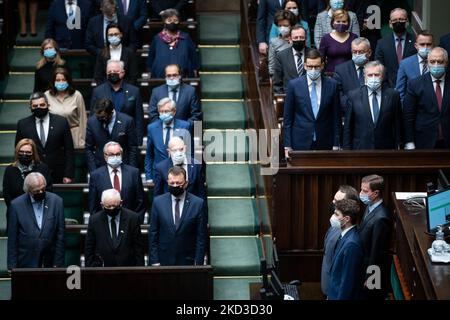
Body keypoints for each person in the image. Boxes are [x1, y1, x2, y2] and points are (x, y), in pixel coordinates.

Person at [283, 49, 340, 156]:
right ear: (305, 66)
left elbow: (336, 117)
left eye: (317, 67)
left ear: (322, 66)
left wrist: (336, 144)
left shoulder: (332, 85)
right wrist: (287, 145)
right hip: (300, 141)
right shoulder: (294, 85)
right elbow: (287, 119)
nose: (313, 70)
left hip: (325, 141)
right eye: (310, 67)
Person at [149, 166, 206, 266]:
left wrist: (198, 262)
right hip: (164, 260)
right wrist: (154, 260)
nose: (175, 185)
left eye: (178, 183)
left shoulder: (197, 203)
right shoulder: (158, 202)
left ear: (186, 183)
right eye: (172, 183)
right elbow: (153, 233)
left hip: (188, 260)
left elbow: (200, 237)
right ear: (167, 182)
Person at [7, 173, 65, 269]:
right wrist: (12, 266)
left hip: (50, 262)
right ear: (28, 190)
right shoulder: (16, 205)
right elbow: (13, 239)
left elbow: (60, 235)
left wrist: (58, 263)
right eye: (36, 191)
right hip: (25, 262)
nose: (41, 192)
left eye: (43, 189)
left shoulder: (57, 202)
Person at [15, 92, 74, 184]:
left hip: (58, 172)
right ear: (30, 107)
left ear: (48, 105)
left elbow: (69, 150)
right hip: (32, 173)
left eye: (42, 105)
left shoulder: (61, 122)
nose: (39, 107)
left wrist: (68, 174)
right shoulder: (23, 124)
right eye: (35, 106)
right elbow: (18, 150)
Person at [343, 61, 402, 150]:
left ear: (382, 76)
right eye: (370, 75)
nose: (373, 78)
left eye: (376, 75)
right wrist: (347, 150)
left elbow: (398, 124)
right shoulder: (353, 96)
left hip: (386, 149)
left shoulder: (393, 95)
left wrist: (399, 146)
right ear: (364, 76)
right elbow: (348, 127)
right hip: (360, 149)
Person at [404, 47, 449, 150]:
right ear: (427, 63)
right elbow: (408, 115)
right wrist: (409, 140)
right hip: (424, 140)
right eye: (432, 62)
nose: (436, 65)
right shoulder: (415, 84)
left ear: (446, 63)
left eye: (440, 61)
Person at [85, 188, 144, 267]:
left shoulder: (132, 218)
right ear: (102, 205)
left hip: (128, 270)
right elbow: (89, 248)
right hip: (101, 271)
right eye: (108, 206)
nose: (112, 209)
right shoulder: (94, 220)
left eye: (114, 206)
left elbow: (138, 249)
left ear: (121, 203)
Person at [88, 142, 145, 223]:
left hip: (129, 223)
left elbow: (140, 201)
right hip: (104, 223)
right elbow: (92, 204)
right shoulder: (96, 175)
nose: (115, 157)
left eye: (118, 154)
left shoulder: (133, 173)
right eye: (111, 154)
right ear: (105, 156)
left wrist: (136, 222)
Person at [91, 60, 144, 145]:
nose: (112, 73)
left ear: (122, 73)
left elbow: (139, 119)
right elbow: (93, 117)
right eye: (109, 72)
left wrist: (138, 141)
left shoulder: (134, 91)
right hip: (104, 138)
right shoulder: (98, 91)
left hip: (128, 138)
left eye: (115, 71)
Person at [2, 139, 52, 228]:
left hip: (39, 213)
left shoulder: (42, 168)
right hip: (16, 214)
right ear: (17, 153)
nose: (24, 155)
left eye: (28, 152)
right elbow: (7, 195)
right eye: (21, 152)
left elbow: (48, 190)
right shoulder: (10, 170)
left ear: (33, 153)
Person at [321, 185, 359, 297]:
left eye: (337, 201)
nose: (333, 203)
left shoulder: (350, 241)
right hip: (329, 284)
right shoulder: (337, 225)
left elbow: (346, 279)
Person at [358, 174, 392, 299]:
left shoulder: (381, 218)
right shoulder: (370, 206)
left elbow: (378, 252)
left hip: (372, 270)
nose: (361, 193)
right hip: (364, 264)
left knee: (371, 296)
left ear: (376, 193)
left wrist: (371, 277)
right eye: (361, 189)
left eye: (365, 191)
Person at [85, 99, 139, 172]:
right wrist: (93, 171)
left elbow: (133, 148)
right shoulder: (92, 122)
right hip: (100, 167)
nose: (100, 119)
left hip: (123, 167)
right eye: (98, 116)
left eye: (103, 116)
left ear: (111, 112)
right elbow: (88, 149)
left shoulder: (127, 121)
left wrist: (132, 170)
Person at [144, 98, 191, 181]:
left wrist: (188, 174)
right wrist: (149, 177)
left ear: (174, 111)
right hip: (158, 174)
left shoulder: (185, 126)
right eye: (161, 111)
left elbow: (190, 153)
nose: (163, 114)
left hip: (179, 173)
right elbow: (149, 155)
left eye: (166, 111)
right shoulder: (152, 128)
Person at [327, 198, 364, 300]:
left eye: (337, 214)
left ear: (347, 218)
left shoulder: (351, 245)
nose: (333, 217)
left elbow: (348, 281)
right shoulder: (345, 235)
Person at [146, 9, 199, 78]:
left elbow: (193, 56)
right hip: (160, 76)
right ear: (164, 22)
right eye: (169, 20)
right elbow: (151, 57)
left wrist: (195, 70)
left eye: (175, 20)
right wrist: (149, 70)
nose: (172, 23)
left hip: (183, 77)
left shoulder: (186, 37)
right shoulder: (157, 38)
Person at [45, 67, 87, 149]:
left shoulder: (77, 95)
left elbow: (83, 119)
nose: (61, 82)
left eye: (63, 80)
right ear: (53, 82)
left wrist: (83, 139)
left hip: (74, 135)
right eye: (58, 80)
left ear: (68, 81)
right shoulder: (47, 95)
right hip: (54, 136)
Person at [374, 8, 416, 87]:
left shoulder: (415, 42)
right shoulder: (382, 43)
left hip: (411, 87)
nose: (398, 22)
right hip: (389, 88)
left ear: (407, 21)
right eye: (395, 20)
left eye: (401, 19)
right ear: (390, 23)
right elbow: (379, 67)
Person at [334, 37, 371, 112]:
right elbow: (337, 96)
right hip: (350, 113)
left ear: (369, 52)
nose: (357, 55)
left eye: (360, 52)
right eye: (354, 52)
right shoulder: (341, 70)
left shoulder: (377, 69)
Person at [396, 30, 434, 104]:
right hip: (412, 110)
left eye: (428, 44)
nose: (425, 47)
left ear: (433, 45)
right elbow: (400, 92)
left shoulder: (439, 62)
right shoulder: (405, 64)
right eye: (422, 44)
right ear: (416, 46)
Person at [319, 9, 358, 74]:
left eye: (344, 21)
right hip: (330, 74)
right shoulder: (325, 38)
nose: (341, 24)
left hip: (350, 74)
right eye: (338, 21)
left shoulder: (354, 37)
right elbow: (321, 59)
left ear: (348, 23)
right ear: (333, 23)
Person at [273, 26, 310, 94]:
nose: (299, 40)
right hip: (289, 96)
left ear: (306, 38)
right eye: (296, 37)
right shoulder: (281, 56)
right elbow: (277, 82)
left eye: (301, 37)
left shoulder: (314, 54)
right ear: (290, 39)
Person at [268, 10, 296, 76]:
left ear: (292, 25)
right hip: (281, 76)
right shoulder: (274, 42)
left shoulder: (298, 39)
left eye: (285, 25)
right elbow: (272, 63)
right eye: (280, 26)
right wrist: (271, 77)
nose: (282, 28)